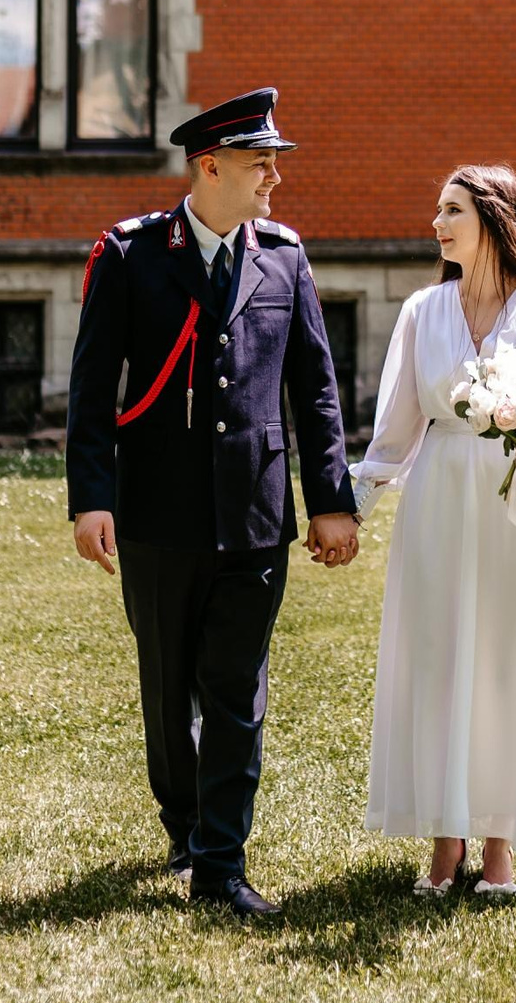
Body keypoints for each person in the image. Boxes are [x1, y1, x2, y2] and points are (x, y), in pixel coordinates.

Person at [65, 87, 362, 920]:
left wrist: (330, 500)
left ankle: (221, 865)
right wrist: (91, 499)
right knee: (168, 687)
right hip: (156, 513)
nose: (275, 176)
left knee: (237, 687)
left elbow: (317, 389)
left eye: (274, 161)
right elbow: (93, 390)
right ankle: (184, 819)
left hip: (255, 515)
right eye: (261, 162)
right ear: (210, 166)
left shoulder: (285, 256)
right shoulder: (131, 255)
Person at [354, 163, 516, 897]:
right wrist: (354, 507)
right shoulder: (421, 312)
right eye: (437, 209)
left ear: (494, 219)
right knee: (440, 658)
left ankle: (499, 843)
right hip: (440, 499)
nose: (436, 223)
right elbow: (396, 429)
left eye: (452, 209)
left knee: (508, 659)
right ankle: (446, 840)